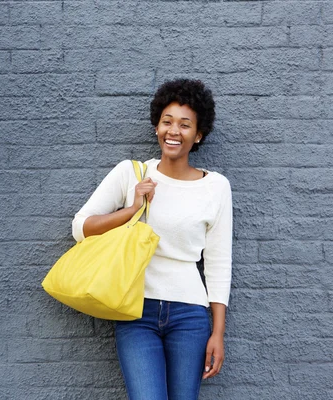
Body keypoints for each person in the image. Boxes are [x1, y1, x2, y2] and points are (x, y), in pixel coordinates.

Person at [71, 78, 232, 400]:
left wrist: (218, 332)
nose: (174, 131)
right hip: (135, 312)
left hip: (190, 314)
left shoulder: (215, 187)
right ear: (157, 126)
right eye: (167, 122)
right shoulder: (131, 173)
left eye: (185, 125)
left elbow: (218, 262)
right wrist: (133, 208)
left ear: (198, 134)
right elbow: (80, 228)